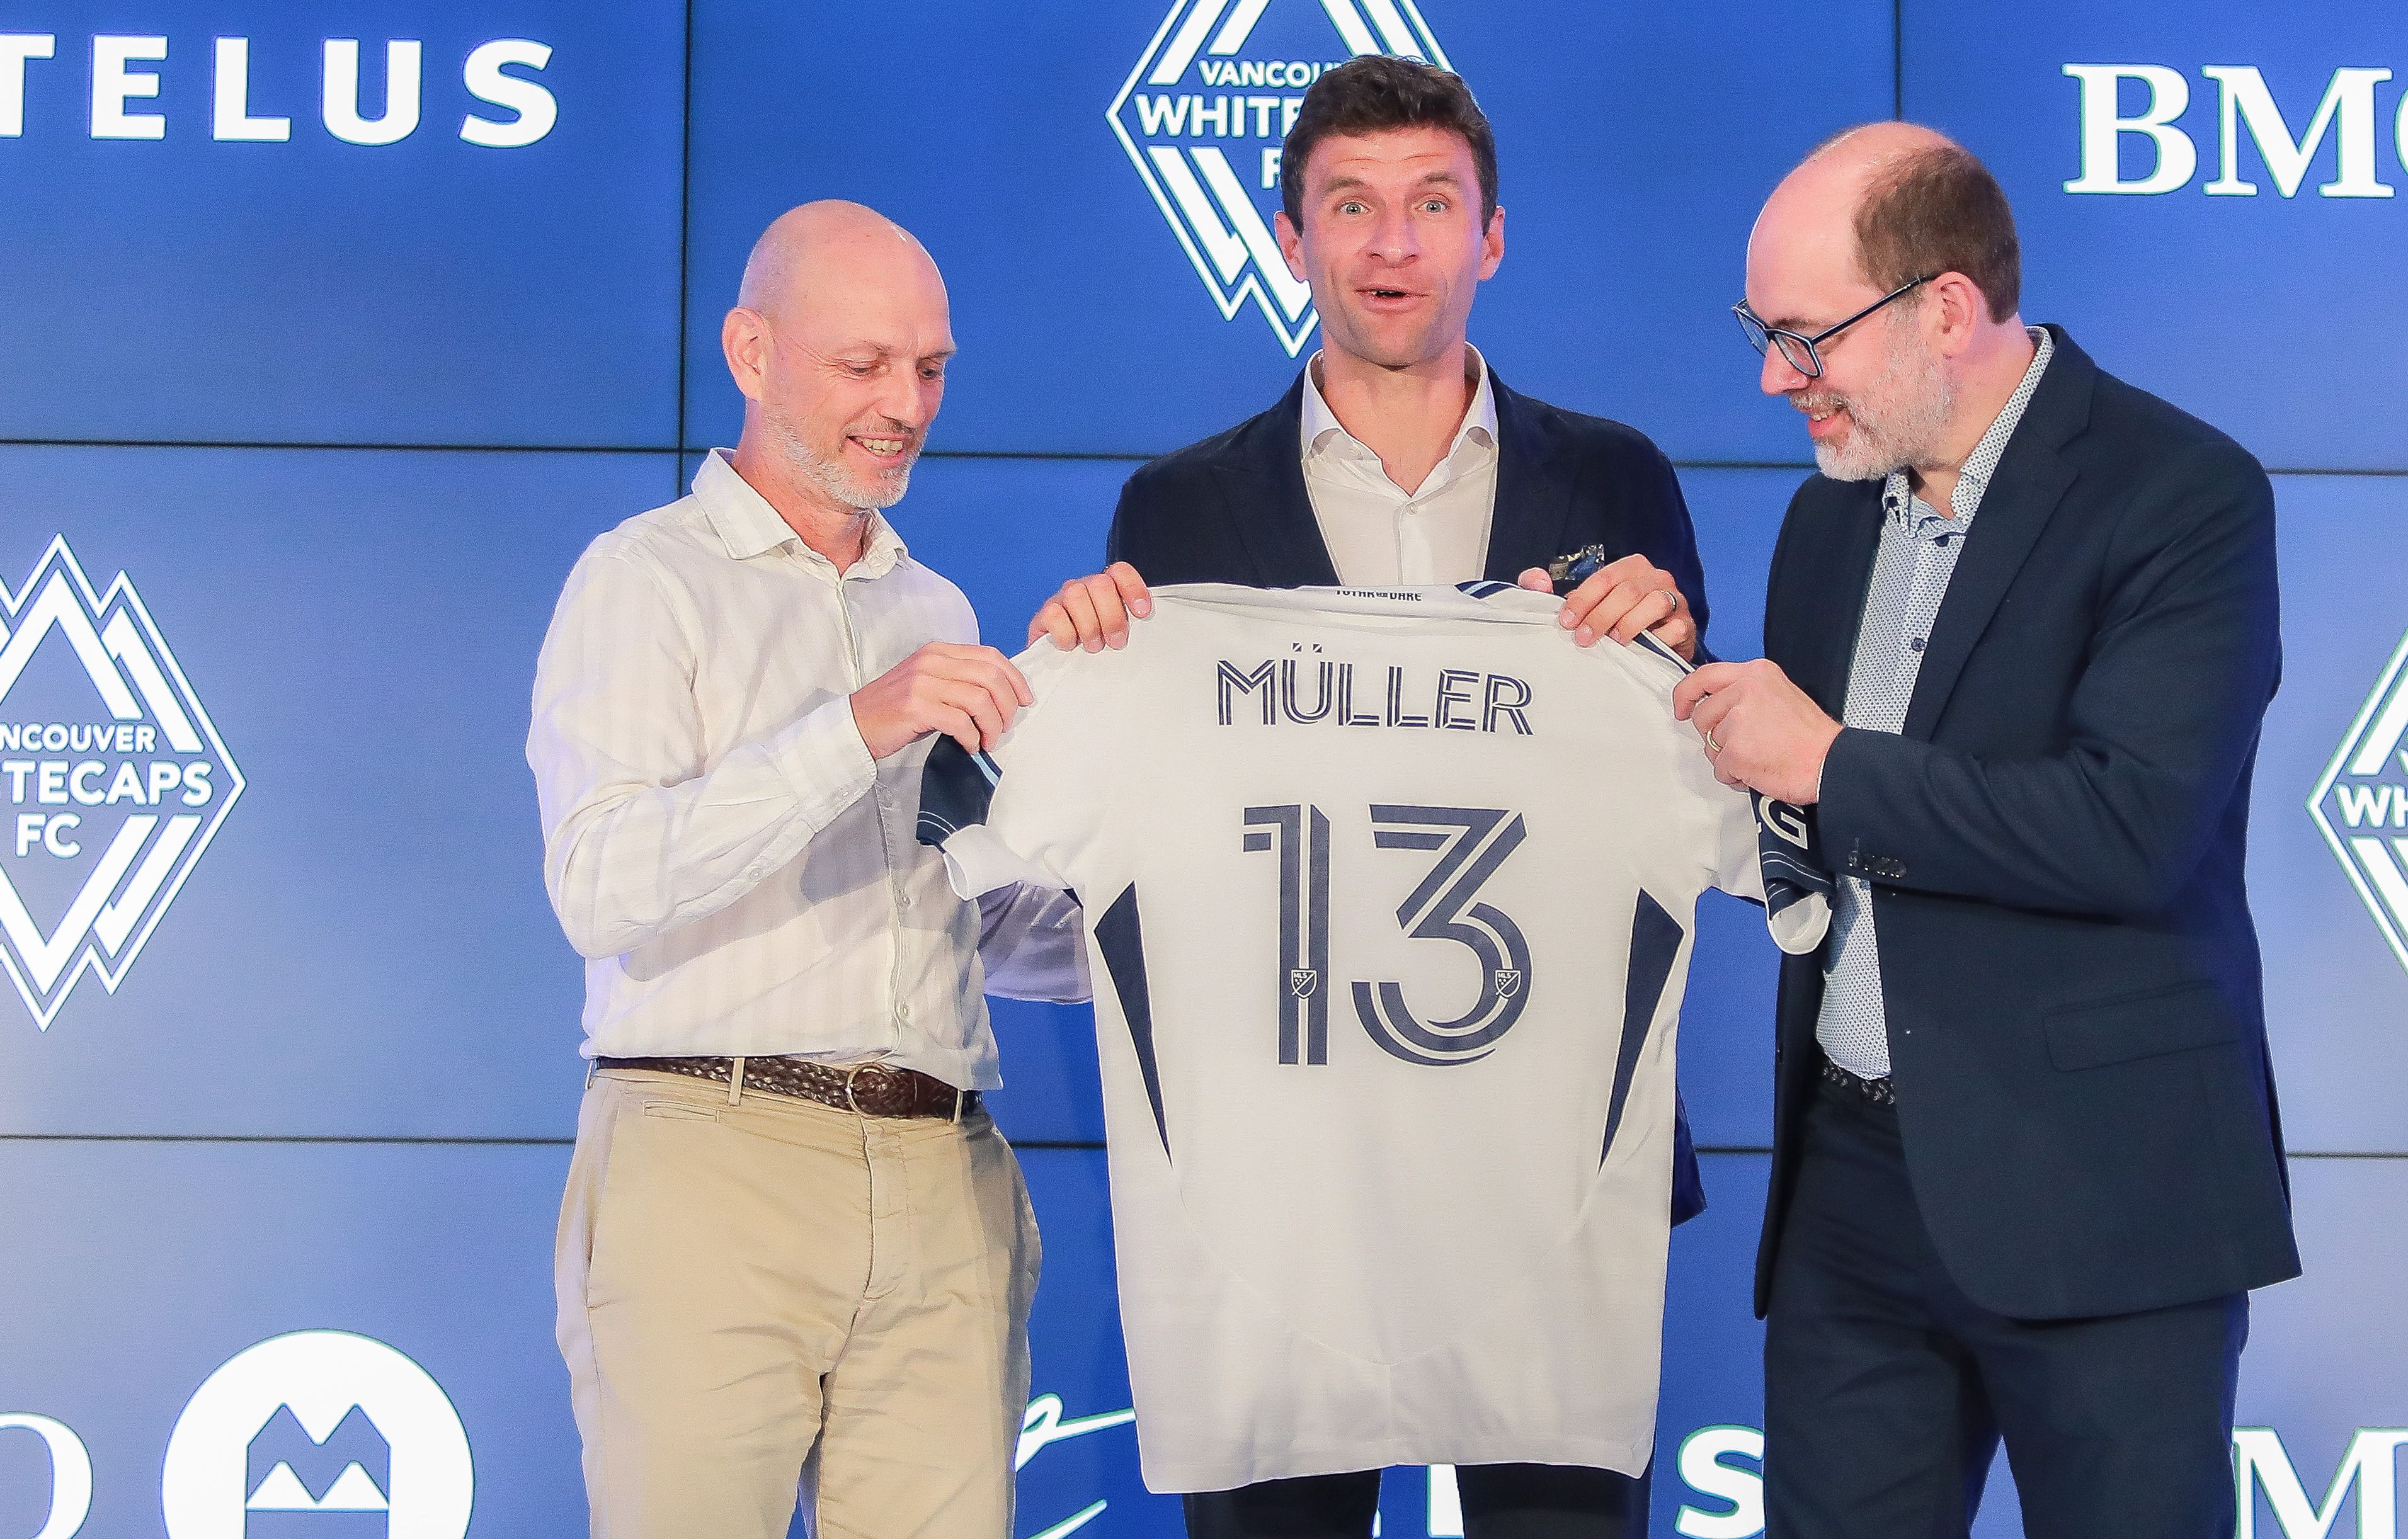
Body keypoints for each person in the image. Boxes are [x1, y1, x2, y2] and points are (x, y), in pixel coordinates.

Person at [1027, 55, 1701, 1539]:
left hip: (1549, 1168)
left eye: (1432, 205)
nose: (1393, 244)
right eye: (1351, 206)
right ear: (1291, 239)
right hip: (1280, 1181)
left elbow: (1689, 773)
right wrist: (1081, 659)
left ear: (1493, 236)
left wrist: (1678, 659)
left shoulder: (1619, 481)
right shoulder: (1177, 508)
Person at [1674, 124, 2300, 1539]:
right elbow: (1806, 825)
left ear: (1945, 310)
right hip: (1849, 1193)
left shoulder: (2182, 493)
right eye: (1763, 336)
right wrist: (1658, 690)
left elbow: (2129, 827)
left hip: (2105, 1198)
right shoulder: (1825, 523)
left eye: (1805, 337)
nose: (1777, 378)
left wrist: (1826, 762)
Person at [527, 200, 1087, 1539]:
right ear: (751, 351)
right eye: (864, 365)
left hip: (945, 1168)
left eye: (930, 367)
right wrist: (853, 728)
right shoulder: (643, 579)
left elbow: (967, 921)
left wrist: (1164, 911)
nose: (906, 405)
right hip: (712, 1154)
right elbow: (599, 885)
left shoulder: (933, 609)